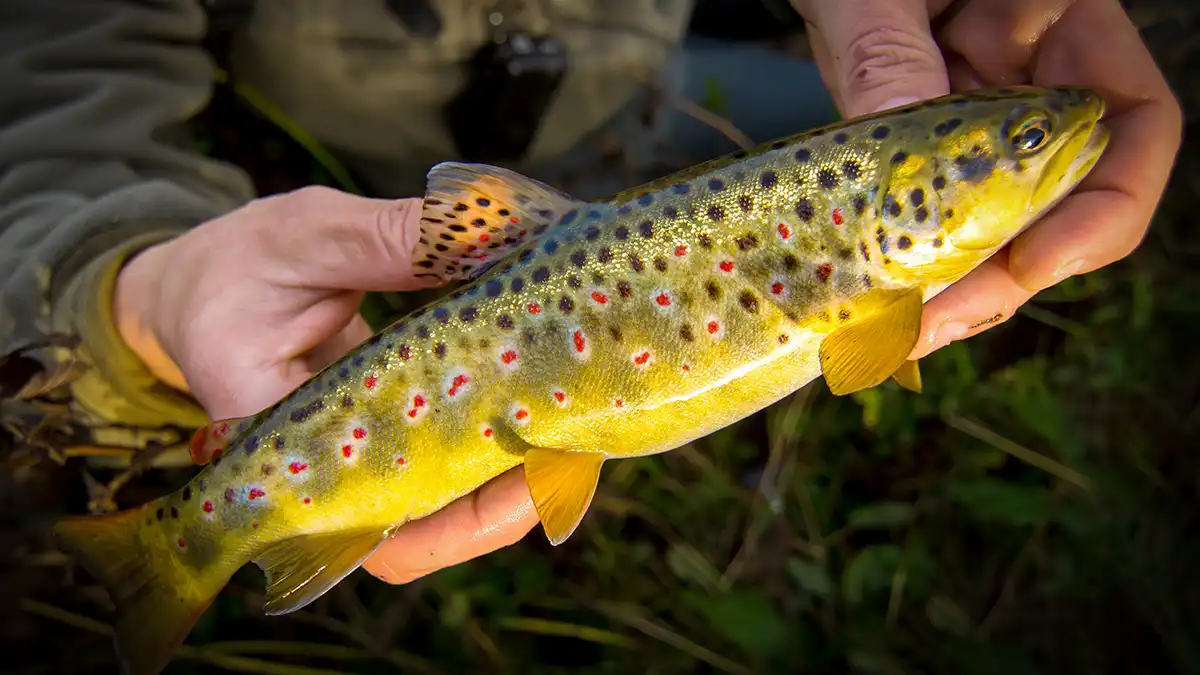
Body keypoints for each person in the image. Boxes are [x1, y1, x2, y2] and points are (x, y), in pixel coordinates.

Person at [0, 0, 1182, 586]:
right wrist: (137, 297)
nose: (1056, 137)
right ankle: (187, 540)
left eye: (1017, 144)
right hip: (406, 175)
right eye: (1024, 145)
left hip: (642, 113)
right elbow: (52, 102)